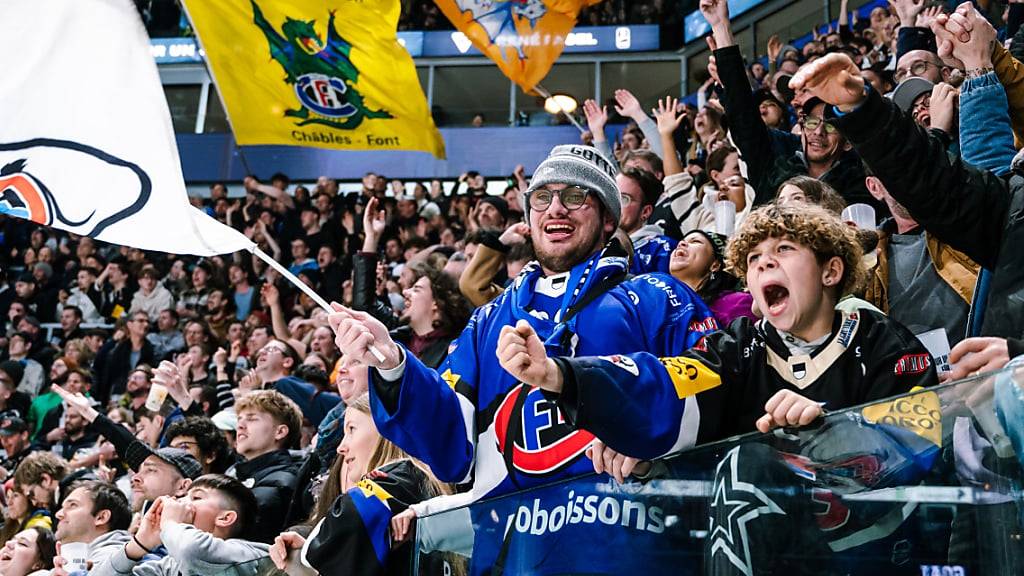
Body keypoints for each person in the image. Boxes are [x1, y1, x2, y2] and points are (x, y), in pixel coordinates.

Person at [329, 145, 718, 570]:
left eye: (575, 196)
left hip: (632, 547)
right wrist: (393, 365)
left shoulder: (657, 296)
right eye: (542, 197)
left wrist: (636, 424)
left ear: (608, 217)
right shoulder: (488, 320)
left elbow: (713, 384)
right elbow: (452, 446)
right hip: (516, 555)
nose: (556, 208)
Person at [787, 24, 1021, 380]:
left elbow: (976, 160)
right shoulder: (1011, 199)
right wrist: (862, 110)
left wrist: (1018, 355)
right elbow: (940, 183)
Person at [269, 393, 447, 575]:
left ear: (386, 429)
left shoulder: (405, 478)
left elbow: (352, 514)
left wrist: (312, 550)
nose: (341, 447)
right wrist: (309, 561)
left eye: (351, 430)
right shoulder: (413, 482)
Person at [89, 475, 269, 576]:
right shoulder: (170, 565)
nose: (180, 502)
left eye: (196, 497)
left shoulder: (250, 554)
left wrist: (170, 523)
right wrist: (139, 544)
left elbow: (194, 552)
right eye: (184, 496)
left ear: (225, 518)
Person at [229, 390, 302, 543]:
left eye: (252, 419)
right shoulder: (239, 473)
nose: (240, 426)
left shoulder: (282, 482)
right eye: (239, 419)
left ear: (280, 432)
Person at [670, 230, 756, 326]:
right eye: (681, 241)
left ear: (715, 265)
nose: (681, 244)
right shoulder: (666, 310)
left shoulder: (736, 303)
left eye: (695, 241)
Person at [53, 481, 132, 569]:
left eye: (73, 505)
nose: (58, 514)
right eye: (62, 507)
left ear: (101, 517)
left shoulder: (113, 558)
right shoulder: (79, 558)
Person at [616, 167, 676, 275]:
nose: (614, 204)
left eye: (624, 199)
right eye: (612, 194)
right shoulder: (591, 242)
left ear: (645, 212)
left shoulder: (662, 249)